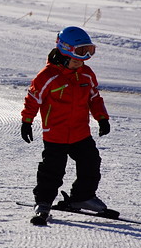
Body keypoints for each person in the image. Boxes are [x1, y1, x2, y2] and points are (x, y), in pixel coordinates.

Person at [20, 26, 111, 222]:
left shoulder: (86, 74)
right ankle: (43, 202)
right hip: (56, 133)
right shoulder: (47, 76)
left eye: (88, 52)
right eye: (79, 54)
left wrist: (102, 118)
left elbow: (94, 97)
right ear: (64, 50)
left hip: (80, 132)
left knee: (91, 163)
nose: (83, 59)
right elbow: (33, 98)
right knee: (52, 170)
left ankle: (82, 197)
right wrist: (26, 121)